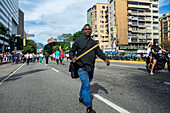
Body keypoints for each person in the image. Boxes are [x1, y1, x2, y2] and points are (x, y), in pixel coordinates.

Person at [69, 24, 110, 113]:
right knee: (86, 85)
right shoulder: (78, 41)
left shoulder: (94, 43)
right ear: (83, 31)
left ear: (91, 31)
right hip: (81, 67)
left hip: (90, 67)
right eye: (85, 29)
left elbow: (99, 52)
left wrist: (105, 59)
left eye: (89, 29)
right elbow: (72, 51)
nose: (87, 30)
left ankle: (81, 96)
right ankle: (88, 106)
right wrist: (72, 57)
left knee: (86, 83)